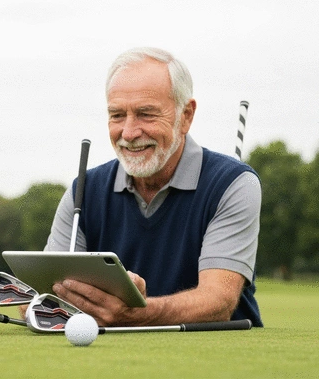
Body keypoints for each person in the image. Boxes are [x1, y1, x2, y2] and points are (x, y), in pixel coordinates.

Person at [44, 47, 263, 327]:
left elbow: (217, 301)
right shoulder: (84, 190)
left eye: (146, 114)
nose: (129, 133)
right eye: (117, 115)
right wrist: (37, 302)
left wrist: (134, 313)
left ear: (186, 116)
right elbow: (43, 295)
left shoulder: (233, 184)